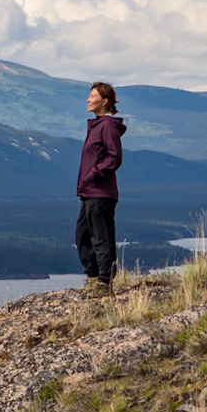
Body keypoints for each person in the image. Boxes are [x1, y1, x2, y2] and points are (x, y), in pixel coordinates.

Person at [76, 81, 125, 291]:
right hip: (89, 192)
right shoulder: (96, 126)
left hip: (101, 192)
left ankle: (104, 284)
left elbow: (114, 157)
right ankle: (93, 279)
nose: (88, 99)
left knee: (101, 237)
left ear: (104, 101)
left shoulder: (107, 126)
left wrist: (94, 174)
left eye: (93, 95)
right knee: (82, 237)